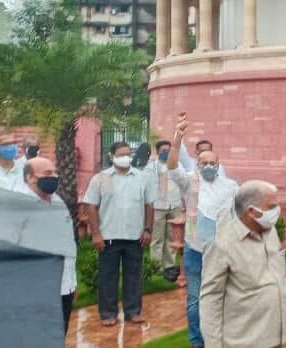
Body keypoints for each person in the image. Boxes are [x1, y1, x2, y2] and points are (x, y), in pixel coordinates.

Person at [167, 114, 240, 348]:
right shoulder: (189, 182)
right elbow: (171, 165)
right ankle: (197, 341)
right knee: (194, 299)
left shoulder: (230, 187)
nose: (208, 166)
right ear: (197, 164)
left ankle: (221, 339)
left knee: (225, 296)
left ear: (219, 165)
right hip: (195, 250)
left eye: (212, 163)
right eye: (204, 162)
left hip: (222, 252)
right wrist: (178, 136)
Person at [200, 181, 286, 348]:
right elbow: (211, 298)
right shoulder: (222, 243)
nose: (277, 211)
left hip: (278, 338)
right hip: (245, 341)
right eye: (271, 207)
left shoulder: (271, 232)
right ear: (251, 211)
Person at [83, 141, 157, 326]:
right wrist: (96, 234)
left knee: (134, 276)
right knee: (108, 277)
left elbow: (149, 205)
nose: (126, 157)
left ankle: (133, 311)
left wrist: (148, 229)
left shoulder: (142, 178)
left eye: (128, 154)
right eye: (121, 154)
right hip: (108, 237)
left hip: (135, 237)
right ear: (111, 156)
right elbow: (91, 207)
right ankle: (108, 313)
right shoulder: (100, 179)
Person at [1, 157, 78, 334]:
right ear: (30, 178)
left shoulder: (58, 201)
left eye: (55, 172)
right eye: (47, 173)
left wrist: (71, 282)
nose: (54, 176)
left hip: (63, 285)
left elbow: (68, 243)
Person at [145, 139, 182, 281]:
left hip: (175, 205)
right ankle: (156, 267)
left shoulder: (177, 166)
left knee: (172, 237)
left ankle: (170, 265)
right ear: (157, 152)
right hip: (158, 207)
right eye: (163, 151)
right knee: (157, 238)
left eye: (168, 150)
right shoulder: (151, 168)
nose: (166, 153)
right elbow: (146, 188)